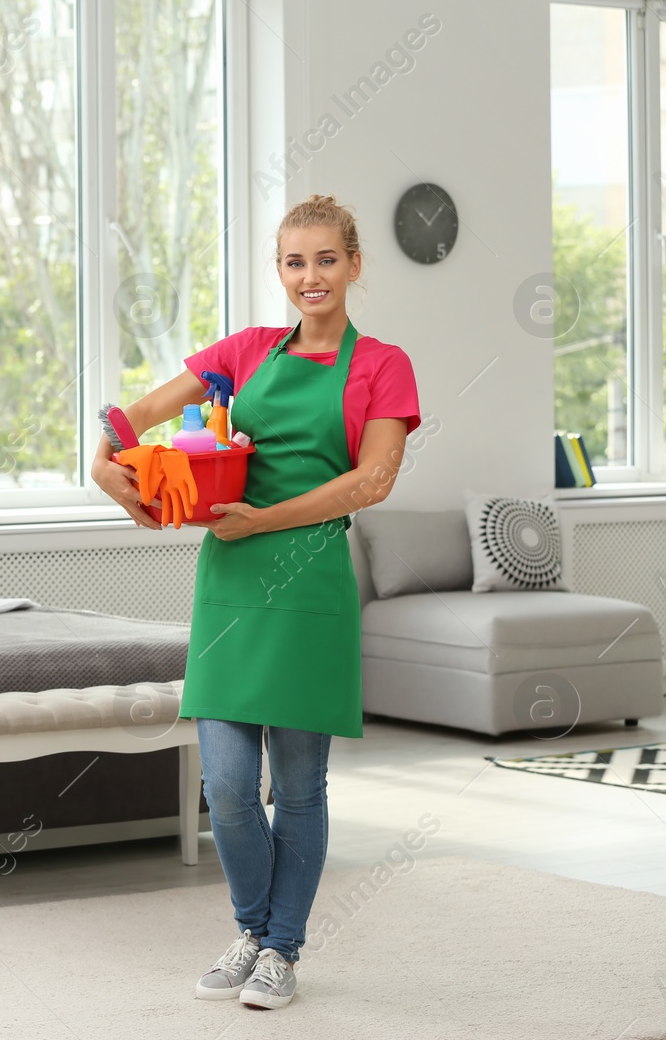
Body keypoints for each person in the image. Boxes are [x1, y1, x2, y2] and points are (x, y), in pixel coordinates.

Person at [91, 194, 421, 1010]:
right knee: (228, 786)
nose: (311, 277)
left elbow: (371, 480)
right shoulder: (241, 353)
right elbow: (136, 414)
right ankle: (251, 930)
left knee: (299, 787)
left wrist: (265, 518)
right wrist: (105, 462)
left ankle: (281, 949)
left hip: (308, 580)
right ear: (279, 271)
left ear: (353, 266)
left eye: (326, 260)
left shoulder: (382, 364)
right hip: (231, 580)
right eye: (294, 262)